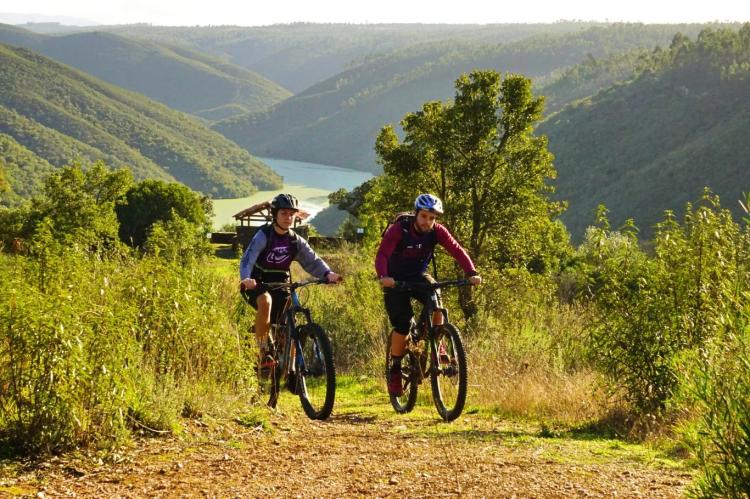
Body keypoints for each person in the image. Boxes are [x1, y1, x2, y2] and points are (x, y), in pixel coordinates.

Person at [375, 193, 481, 396]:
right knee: (403, 324)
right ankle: (396, 369)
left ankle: (436, 342)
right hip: (394, 279)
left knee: (436, 298)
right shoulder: (400, 229)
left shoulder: (437, 232)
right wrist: (383, 276)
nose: (428, 222)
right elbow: (382, 254)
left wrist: (471, 272)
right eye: (424, 216)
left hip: (418, 276)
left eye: (432, 218)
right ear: (416, 214)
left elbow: (457, 250)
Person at [240, 193, 341, 365]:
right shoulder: (264, 235)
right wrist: (246, 278)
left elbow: (312, 260)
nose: (288, 218)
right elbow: (248, 258)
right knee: (266, 301)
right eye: (283, 213)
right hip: (258, 282)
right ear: (275, 215)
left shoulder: (295, 240)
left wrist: (327, 274)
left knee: (289, 327)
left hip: (282, 283)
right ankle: (263, 351)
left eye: (291, 214)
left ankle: (293, 372)